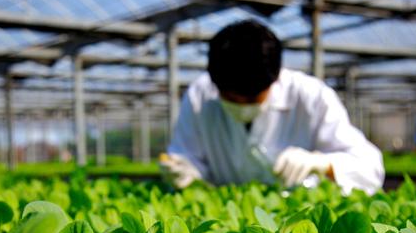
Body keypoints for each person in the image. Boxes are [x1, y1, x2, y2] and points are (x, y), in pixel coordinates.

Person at [161, 19, 384, 195]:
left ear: (274, 80)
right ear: (215, 83)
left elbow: (371, 169)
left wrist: (323, 163)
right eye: (230, 98)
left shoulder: (312, 95)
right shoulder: (200, 95)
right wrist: (185, 170)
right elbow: (185, 157)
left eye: (251, 99)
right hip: (227, 215)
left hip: (297, 210)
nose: (241, 107)